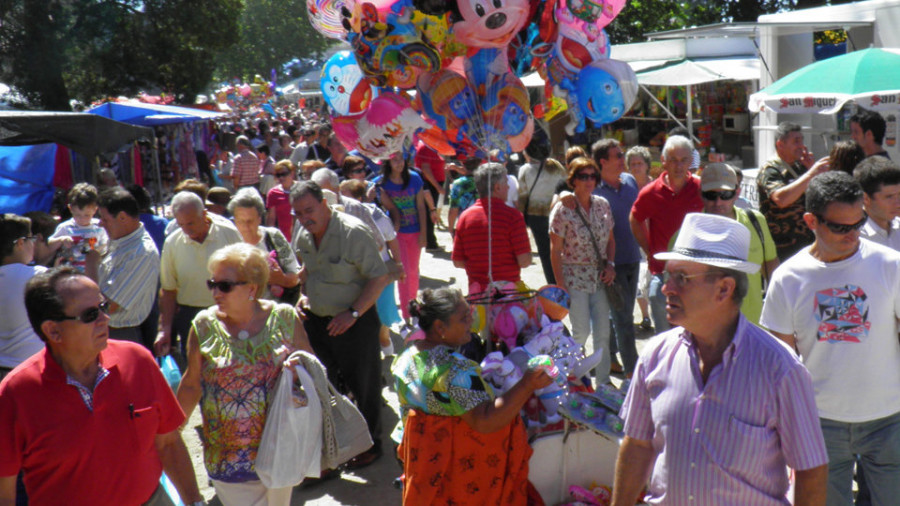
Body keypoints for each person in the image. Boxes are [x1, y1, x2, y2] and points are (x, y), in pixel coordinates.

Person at [614, 213, 828, 505]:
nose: (667, 287)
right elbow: (637, 445)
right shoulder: (655, 355)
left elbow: (810, 468)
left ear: (725, 289)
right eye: (668, 275)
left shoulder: (780, 368)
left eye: (682, 278)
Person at [0, 267, 205, 505]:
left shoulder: (137, 360)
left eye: (103, 307)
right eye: (90, 315)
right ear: (53, 330)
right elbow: (4, 489)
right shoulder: (16, 393)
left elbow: (169, 443)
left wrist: (195, 501)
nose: (105, 319)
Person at [761, 171, 900, 505]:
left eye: (858, 223)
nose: (852, 235)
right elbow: (779, 361)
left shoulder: (891, 265)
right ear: (811, 220)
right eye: (840, 227)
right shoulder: (787, 279)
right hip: (820, 424)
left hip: (889, 420)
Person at [176, 244, 314, 505]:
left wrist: (298, 368)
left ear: (252, 288)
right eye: (212, 284)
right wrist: (171, 432)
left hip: (280, 447)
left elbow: (312, 368)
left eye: (225, 286)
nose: (216, 292)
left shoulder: (284, 317)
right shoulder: (203, 326)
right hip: (229, 458)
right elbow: (192, 384)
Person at [393, 287, 552, 505]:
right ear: (440, 327)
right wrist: (527, 384)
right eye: (463, 318)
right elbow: (484, 421)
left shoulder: (407, 357)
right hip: (458, 472)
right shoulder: (455, 371)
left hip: (424, 465)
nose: (471, 321)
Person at [290, 181, 390, 469]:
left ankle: (372, 445)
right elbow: (308, 271)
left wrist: (353, 313)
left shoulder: (353, 232)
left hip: (355, 322)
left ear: (324, 202)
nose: (304, 218)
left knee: (364, 385)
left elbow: (379, 277)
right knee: (324, 385)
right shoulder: (304, 234)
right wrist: (303, 296)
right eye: (298, 214)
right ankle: (336, 446)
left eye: (309, 210)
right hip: (318, 323)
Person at [680, 163, 779, 325]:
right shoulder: (688, 233)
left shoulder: (756, 222)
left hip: (752, 326)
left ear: (737, 193)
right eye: (711, 195)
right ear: (700, 194)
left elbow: (770, 263)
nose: (718, 202)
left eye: (725, 195)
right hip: (708, 332)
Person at [550, 157, 615, 384]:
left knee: (603, 333)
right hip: (574, 277)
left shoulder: (603, 204)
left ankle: (604, 382)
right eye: (583, 176)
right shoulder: (563, 208)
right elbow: (555, 250)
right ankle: (578, 379)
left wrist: (611, 264)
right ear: (573, 180)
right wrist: (561, 285)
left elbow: (610, 240)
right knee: (580, 332)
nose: (589, 181)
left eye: (592, 176)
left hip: (599, 276)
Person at [629, 135, 703, 333]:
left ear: (690, 161)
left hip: (694, 270)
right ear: (663, 161)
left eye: (683, 160)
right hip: (663, 270)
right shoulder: (650, 192)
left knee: (694, 328)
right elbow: (635, 219)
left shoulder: (701, 189)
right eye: (673, 160)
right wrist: (649, 249)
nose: (678, 166)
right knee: (659, 309)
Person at [156, 192, 242, 359]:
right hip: (190, 318)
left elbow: (246, 275)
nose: (187, 230)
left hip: (228, 313)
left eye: (191, 223)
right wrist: (164, 329)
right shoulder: (173, 243)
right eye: (181, 225)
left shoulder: (228, 234)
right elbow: (168, 290)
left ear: (204, 214)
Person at [89, 187, 160, 345]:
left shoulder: (141, 253)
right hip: (109, 331)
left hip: (122, 335)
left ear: (122, 217)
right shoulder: (119, 241)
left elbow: (107, 306)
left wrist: (91, 264)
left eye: (105, 219)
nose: (100, 223)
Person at [756, 122, 830, 261]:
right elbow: (781, 199)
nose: (801, 145)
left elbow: (822, 196)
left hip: (805, 242)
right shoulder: (771, 170)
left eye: (802, 140)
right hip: (781, 247)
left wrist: (810, 169)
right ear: (780, 144)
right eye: (796, 141)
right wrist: (810, 174)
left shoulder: (799, 166)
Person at [452, 162, 532, 291]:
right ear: (497, 187)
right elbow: (524, 261)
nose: (508, 187)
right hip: (508, 297)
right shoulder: (513, 216)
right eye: (506, 183)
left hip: (478, 296)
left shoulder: (465, 217)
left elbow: (458, 262)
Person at [374, 152, 427, 321]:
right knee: (403, 271)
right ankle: (406, 313)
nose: (399, 163)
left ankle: (414, 306)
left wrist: (424, 233)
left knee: (413, 270)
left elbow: (420, 207)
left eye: (401, 159)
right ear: (387, 162)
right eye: (394, 160)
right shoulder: (380, 184)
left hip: (415, 231)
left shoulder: (415, 178)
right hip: (396, 235)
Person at [228, 188, 301, 303]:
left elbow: (295, 276)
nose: (246, 227)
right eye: (241, 221)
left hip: (274, 310)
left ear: (260, 218)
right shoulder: (228, 241)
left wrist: (281, 279)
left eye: (250, 221)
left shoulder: (274, 236)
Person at [0, 214, 45, 380]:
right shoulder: (40, 277)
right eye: (31, 238)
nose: (33, 244)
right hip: (29, 372)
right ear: (20, 243)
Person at [518, 137, 567, 285]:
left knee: (545, 252)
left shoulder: (525, 170)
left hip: (536, 217)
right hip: (558, 213)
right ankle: (565, 281)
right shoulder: (556, 166)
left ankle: (553, 284)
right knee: (561, 249)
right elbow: (564, 186)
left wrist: (521, 218)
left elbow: (523, 197)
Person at [48, 182, 108, 272]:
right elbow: (50, 244)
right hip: (72, 273)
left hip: (94, 272)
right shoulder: (66, 227)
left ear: (95, 210)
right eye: (78, 215)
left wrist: (98, 250)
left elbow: (106, 245)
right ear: (70, 209)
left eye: (87, 215)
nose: (82, 219)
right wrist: (61, 239)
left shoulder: (99, 227)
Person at [625, 146, 654, 330]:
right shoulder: (625, 188)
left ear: (647, 165)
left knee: (652, 280)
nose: (636, 167)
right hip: (632, 239)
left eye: (639, 163)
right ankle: (645, 316)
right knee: (638, 280)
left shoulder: (655, 186)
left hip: (654, 238)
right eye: (632, 164)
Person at [855, 156, 900, 249]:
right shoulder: (854, 238)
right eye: (889, 197)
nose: (898, 204)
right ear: (866, 199)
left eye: (899, 195)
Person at [415, 142, 446, 251]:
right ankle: (430, 243)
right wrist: (438, 187)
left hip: (434, 184)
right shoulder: (425, 147)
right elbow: (426, 169)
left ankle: (430, 241)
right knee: (430, 213)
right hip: (430, 185)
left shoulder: (432, 146)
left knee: (432, 213)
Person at [265, 160, 299, 241]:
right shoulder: (273, 193)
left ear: (292, 173)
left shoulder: (302, 189)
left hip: (301, 235)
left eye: (284, 174)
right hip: (284, 238)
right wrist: (271, 237)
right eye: (278, 175)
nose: (281, 178)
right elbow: (271, 218)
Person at [447, 158, 480, 237]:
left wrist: (451, 229)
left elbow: (453, 209)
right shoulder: (486, 181)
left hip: (466, 224)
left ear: (463, 165)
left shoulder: (459, 184)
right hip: (484, 223)